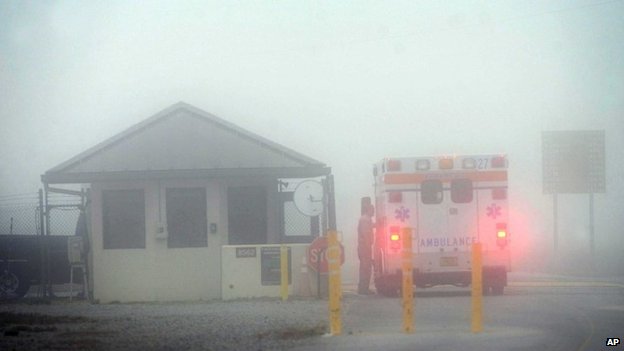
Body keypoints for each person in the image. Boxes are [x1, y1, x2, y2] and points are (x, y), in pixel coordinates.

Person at [357, 203, 375, 295]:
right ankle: (363, 289)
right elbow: (366, 233)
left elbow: (370, 227)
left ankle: (363, 288)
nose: (374, 212)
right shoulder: (365, 220)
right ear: (369, 210)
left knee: (365, 267)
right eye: (373, 210)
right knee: (366, 267)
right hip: (365, 247)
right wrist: (369, 247)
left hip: (364, 247)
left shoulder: (366, 219)